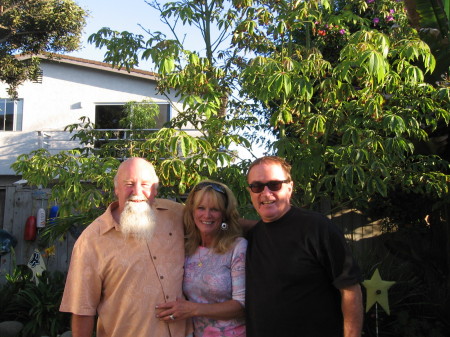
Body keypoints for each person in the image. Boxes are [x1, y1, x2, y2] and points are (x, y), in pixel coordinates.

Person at [60, 157, 191, 337]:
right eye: (129, 183)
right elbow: (82, 310)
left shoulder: (176, 215)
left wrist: (244, 230)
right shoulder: (91, 240)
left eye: (145, 184)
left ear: (155, 189)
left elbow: (218, 223)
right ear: (116, 189)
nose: (137, 191)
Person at [245, 156, 363, 337]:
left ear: (290, 187)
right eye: (257, 186)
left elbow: (350, 289)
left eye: (274, 184)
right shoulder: (251, 237)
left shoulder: (317, 228)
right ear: (250, 192)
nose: (265, 193)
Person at [155, 180, 247, 337]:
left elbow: (241, 305)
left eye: (215, 209)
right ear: (192, 211)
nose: (207, 215)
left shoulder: (237, 247)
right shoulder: (186, 247)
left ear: (224, 214)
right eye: (201, 208)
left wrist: (192, 309)